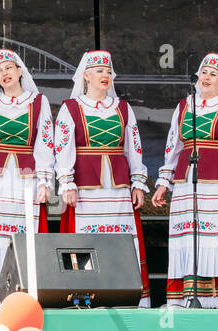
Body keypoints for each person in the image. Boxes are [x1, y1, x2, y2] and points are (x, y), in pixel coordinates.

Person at [152, 52, 218, 308]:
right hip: (187, 183)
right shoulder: (185, 104)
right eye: (204, 72)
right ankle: (188, 296)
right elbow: (174, 145)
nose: (207, 77)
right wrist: (164, 181)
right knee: (189, 236)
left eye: (214, 74)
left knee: (216, 237)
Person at [54, 50, 150, 307]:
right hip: (86, 187)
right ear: (86, 75)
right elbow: (62, 147)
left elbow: (134, 147)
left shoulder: (122, 108)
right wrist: (66, 182)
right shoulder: (71, 108)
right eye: (99, 71)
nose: (105, 75)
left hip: (117, 187)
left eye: (108, 71)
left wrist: (138, 182)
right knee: (87, 239)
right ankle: (85, 295)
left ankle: (122, 292)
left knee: (120, 237)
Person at [0, 49, 55, 308]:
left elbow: (45, 144)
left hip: (25, 179)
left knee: (23, 232)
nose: (4, 74)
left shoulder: (39, 102)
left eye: (8, 68)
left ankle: (21, 291)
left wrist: (44, 181)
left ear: (19, 71)